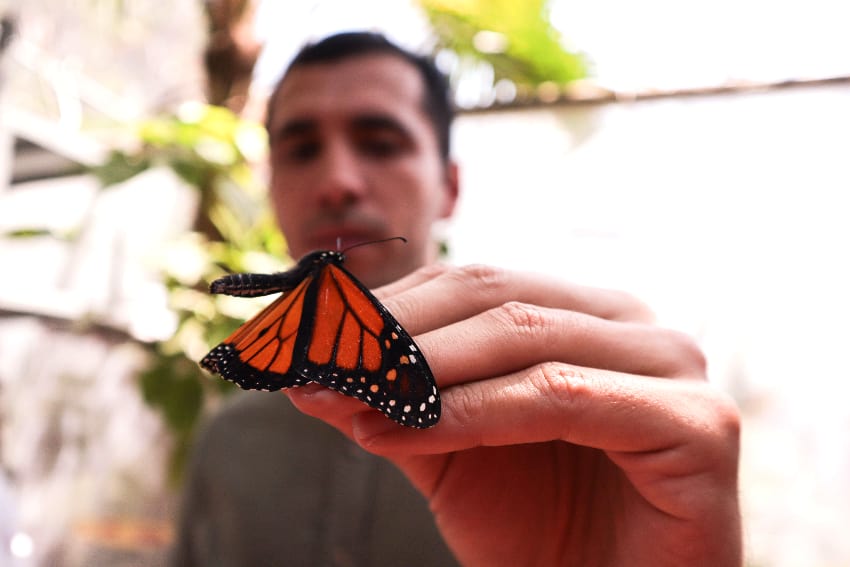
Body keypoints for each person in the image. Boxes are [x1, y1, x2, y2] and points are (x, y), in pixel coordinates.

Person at [172, 31, 742, 567]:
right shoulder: (227, 440)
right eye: (301, 151)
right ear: (270, 186)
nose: (337, 181)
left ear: (449, 186)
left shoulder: (567, 434)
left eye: (379, 143)